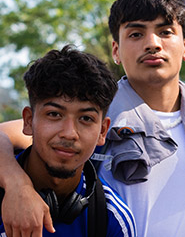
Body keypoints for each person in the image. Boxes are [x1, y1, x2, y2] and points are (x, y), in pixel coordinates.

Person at [0, 0, 185, 237]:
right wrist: (17, 185)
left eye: (165, 32)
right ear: (116, 50)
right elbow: (6, 136)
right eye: (136, 34)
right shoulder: (88, 119)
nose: (152, 43)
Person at [0, 45, 136, 237]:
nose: (69, 133)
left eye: (86, 118)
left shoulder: (111, 220)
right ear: (29, 121)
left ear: (102, 131)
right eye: (54, 114)